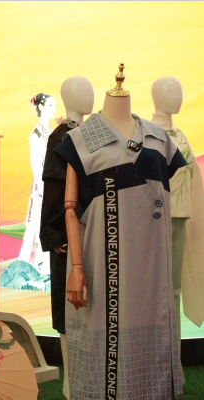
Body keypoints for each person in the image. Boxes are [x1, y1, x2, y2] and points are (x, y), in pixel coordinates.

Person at [56, 65, 184, 399]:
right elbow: (70, 208)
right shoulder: (81, 140)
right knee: (105, 339)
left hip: (153, 266)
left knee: (154, 335)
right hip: (105, 263)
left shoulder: (159, 139)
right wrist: (76, 268)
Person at [40, 76, 94, 399]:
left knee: (88, 302)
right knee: (66, 305)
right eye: (80, 91)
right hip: (65, 233)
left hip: (91, 228)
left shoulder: (94, 132)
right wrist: (53, 232)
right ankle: (71, 383)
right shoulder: (59, 137)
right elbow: (53, 187)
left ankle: (85, 379)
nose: (88, 95)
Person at [151, 76, 204, 340]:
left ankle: (174, 353)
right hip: (157, 220)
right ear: (157, 96)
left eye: (180, 92)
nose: (179, 97)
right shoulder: (148, 133)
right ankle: (159, 351)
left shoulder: (179, 135)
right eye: (173, 92)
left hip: (181, 216)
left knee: (175, 289)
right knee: (158, 289)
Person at [18, 92, 56, 277]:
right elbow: (36, 166)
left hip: (53, 184)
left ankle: (48, 267)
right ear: (41, 107)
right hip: (43, 186)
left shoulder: (52, 132)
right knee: (38, 224)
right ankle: (36, 267)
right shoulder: (36, 135)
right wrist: (44, 188)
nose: (54, 109)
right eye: (50, 105)